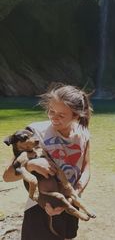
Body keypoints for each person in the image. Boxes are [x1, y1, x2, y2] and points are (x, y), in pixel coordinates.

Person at [3, 83, 93, 240]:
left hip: (71, 200)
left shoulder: (83, 134)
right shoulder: (34, 133)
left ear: (77, 115)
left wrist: (74, 195)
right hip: (40, 205)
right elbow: (7, 176)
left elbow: (85, 168)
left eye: (62, 115)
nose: (53, 118)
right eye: (51, 111)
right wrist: (30, 165)